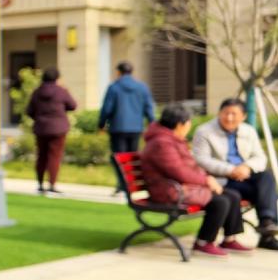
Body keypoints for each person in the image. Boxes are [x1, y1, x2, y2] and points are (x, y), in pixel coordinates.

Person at [142, 104, 250, 256]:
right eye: (188, 123)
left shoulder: (171, 139)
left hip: (181, 187)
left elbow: (186, 168)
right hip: (169, 191)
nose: (189, 126)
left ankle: (229, 239)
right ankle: (203, 242)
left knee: (232, 195)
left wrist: (207, 178)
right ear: (180, 124)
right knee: (220, 201)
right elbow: (179, 172)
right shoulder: (162, 143)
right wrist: (206, 181)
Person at [191, 98, 278, 250]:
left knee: (266, 177)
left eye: (234, 114)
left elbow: (260, 157)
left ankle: (266, 222)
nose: (229, 117)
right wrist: (230, 170)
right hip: (221, 179)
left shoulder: (248, 130)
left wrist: (246, 167)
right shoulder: (204, 131)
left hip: (244, 176)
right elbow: (201, 160)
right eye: (226, 113)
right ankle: (267, 235)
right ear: (219, 113)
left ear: (243, 116)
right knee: (265, 192)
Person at [98, 61, 155, 194]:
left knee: (119, 158)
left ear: (118, 72)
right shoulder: (142, 87)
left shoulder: (114, 87)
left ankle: (122, 184)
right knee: (133, 157)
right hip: (136, 128)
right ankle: (132, 184)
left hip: (118, 127)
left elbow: (107, 108)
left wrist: (101, 124)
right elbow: (149, 107)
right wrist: (152, 123)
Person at [25, 67, 76, 195]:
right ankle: (52, 184)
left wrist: (40, 118)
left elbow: (29, 111)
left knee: (41, 156)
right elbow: (72, 105)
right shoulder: (61, 91)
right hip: (58, 129)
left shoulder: (37, 92)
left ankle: (40, 184)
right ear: (57, 78)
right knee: (55, 156)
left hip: (41, 128)